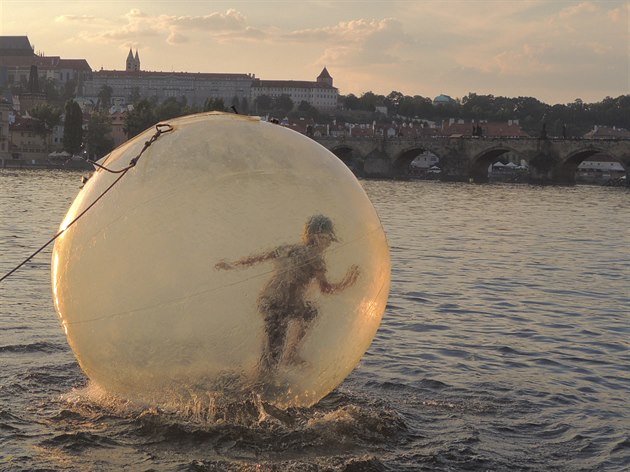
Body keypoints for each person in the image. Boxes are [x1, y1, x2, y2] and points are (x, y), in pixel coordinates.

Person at [215, 215, 360, 373]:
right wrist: (348, 281)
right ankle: (262, 381)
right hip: (281, 306)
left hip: (268, 300)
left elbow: (256, 259)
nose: (329, 243)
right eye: (327, 238)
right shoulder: (316, 259)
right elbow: (326, 289)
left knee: (310, 312)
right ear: (316, 237)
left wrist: (232, 265)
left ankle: (287, 357)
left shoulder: (288, 249)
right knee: (273, 356)